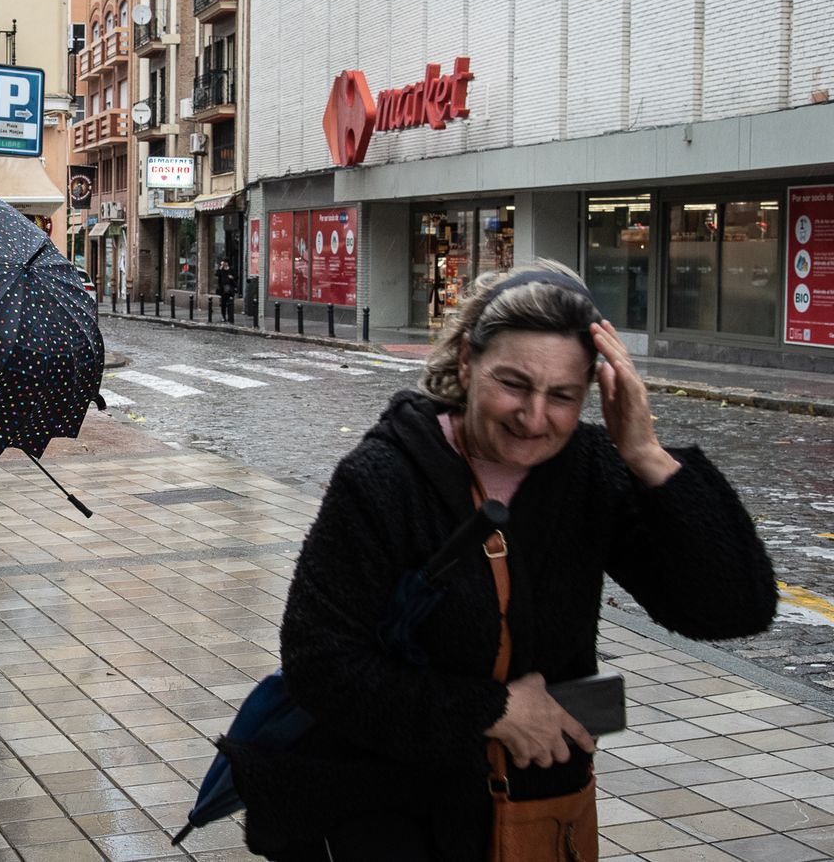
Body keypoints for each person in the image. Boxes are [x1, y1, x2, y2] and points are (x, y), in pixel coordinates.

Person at [220, 260, 776, 860]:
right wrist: (493, 711)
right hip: (391, 816)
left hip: (535, 816)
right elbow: (319, 664)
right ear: (467, 362)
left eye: (562, 396)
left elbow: (734, 608)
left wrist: (647, 455)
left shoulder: (589, 472)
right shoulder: (385, 477)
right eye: (513, 384)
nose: (534, 418)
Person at [216, 258, 237, 323]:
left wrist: (232, 277)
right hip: (223, 290)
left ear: (228, 263)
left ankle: (230, 317)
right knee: (223, 304)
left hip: (230, 289)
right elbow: (217, 274)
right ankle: (224, 317)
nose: (224, 264)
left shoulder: (231, 270)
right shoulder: (221, 270)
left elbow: (236, 277)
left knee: (230, 304)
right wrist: (220, 267)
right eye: (223, 262)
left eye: (225, 262)